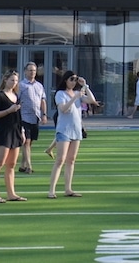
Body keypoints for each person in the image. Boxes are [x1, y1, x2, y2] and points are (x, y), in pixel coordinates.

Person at [48, 71, 98, 199]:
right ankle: (51, 190)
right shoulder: (60, 94)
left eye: (76, 79)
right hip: (64, 130)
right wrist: (75, 98)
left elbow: (92, 100)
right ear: (66, 80)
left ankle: (68, 189)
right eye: (72, 79)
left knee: (71, 160)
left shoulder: (77, 93)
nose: (74, 82)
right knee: (60, 160)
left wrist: (85, 86)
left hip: (76, 130)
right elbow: (63, 109)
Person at [0, 71, 27, 203]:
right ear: (5, 80)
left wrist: (22, 132)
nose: (14, 83)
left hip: (15, 132)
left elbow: (18, 117)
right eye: (12, 80)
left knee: (11, 165)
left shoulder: (16, 96)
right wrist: (8, 110)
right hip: (3, 133)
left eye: (16, 81)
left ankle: (11, 193)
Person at [18, 61, 47, 175]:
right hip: (24, 117)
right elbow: (17, 100)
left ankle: (22, 164)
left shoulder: (39, 86)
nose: (32, 72)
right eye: (30, 70)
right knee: (26, 141)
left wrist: (44, 114)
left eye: (34, 70)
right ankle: (29, 166)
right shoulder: (21, 85)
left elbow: (43, 100)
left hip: (36, 117)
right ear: (25, 71)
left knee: (30, 143)